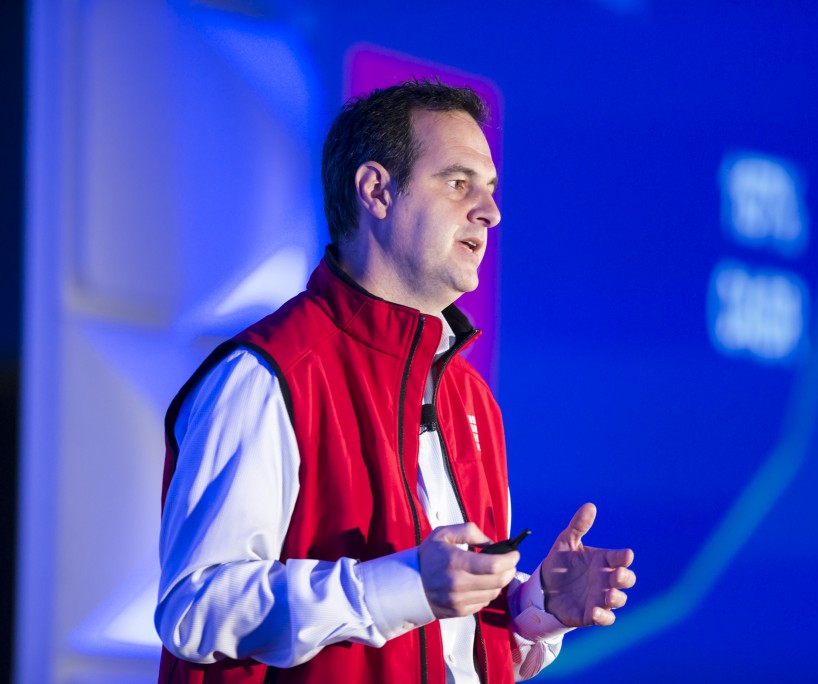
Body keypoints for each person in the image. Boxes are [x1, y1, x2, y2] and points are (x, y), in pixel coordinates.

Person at [156, 79, 636, 683]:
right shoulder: (270, 373)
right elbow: (196, 608)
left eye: (490, 190)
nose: (490, 212)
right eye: (458, 183)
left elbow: (444, 642)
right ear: (377, 191)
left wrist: (529, 608)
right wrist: (404, 587)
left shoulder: (472, 399)